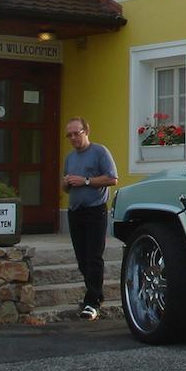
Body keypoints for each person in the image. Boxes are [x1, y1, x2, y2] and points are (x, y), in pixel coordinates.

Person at [62, 117, 118, 321]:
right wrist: (66, 182)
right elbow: (65, 185)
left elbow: (112, 178)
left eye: (76, 133)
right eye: (69, 135)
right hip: (75, 210)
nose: (73, 138)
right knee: (81, 257)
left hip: (95, 210)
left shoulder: (99, 152)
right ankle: (94, 294)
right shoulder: (70, 158)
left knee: (94, 256)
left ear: (86, 131)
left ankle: (92, 302)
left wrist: (85, 180)